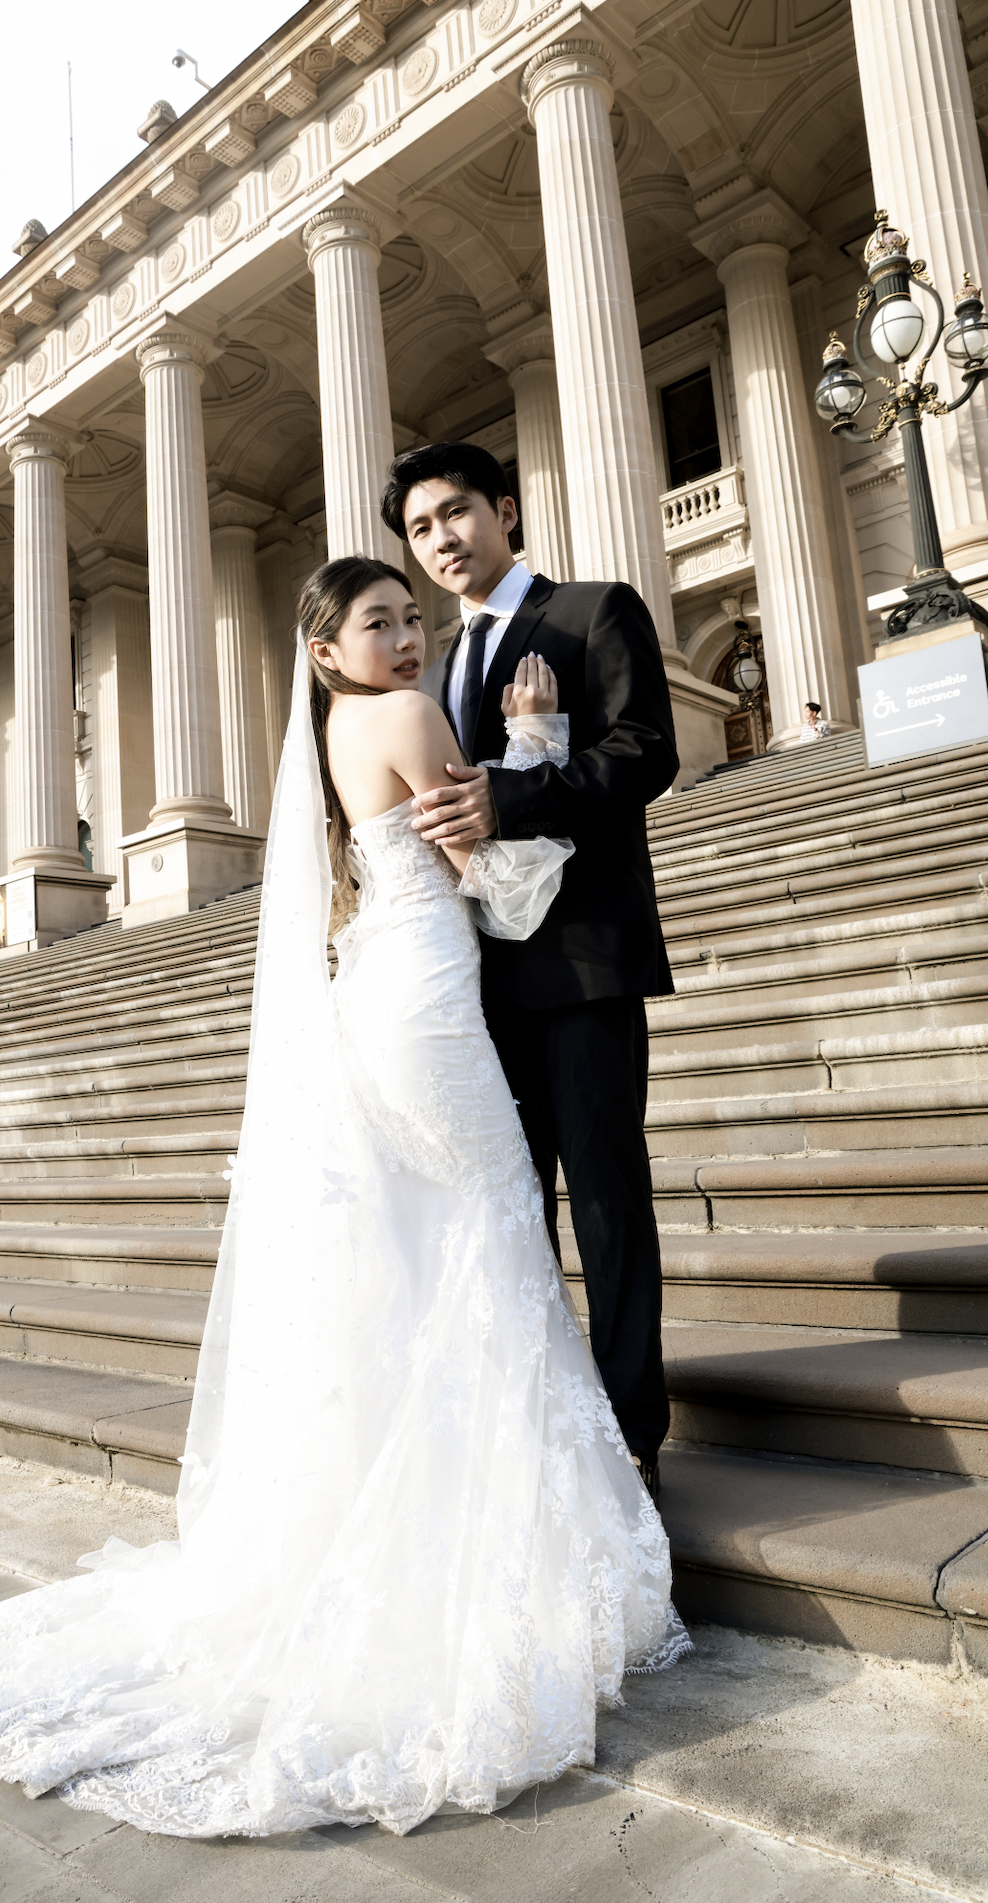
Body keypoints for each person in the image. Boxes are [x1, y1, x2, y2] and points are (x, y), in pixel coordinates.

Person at [0, 555, 688, 1841]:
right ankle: (510, 1531)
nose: (405, 632)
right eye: (377, 621)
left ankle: (433, 1498)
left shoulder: (339, 727)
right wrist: (537, 740)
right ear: (326, 649)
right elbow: (507, 885)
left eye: (408, 615)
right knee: (495, 1239)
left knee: (451, 1246)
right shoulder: (406, 714)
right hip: (437, 1006)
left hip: (380, 996)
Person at [380, 441, 678, 1496]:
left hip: (585, 965)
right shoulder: (439, 663)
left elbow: (647, 752)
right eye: (419, 530)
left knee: (605, 1202)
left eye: (454, 513)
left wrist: (517, 792)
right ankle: (541, 1426)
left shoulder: (593, 610)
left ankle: (633, 1431)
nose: (441, 541)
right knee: (510, 1213)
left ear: (503, 509)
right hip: (481, 985)